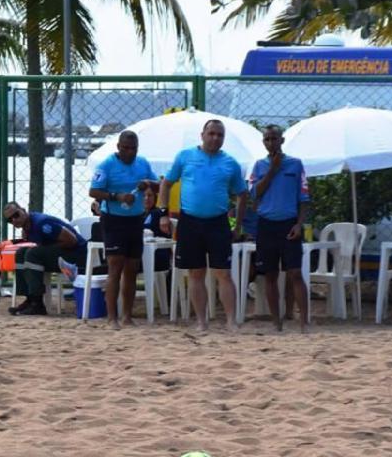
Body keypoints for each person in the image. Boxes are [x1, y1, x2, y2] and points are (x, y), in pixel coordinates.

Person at [157, 119, 246, 331]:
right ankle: (201, 321)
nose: (215, 138)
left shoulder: (230, 163)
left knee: (223, 273)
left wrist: (238, 225)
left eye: (220, 135)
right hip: (190, 221)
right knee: (196, 273)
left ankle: (231, 321)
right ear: (202, 135)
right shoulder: (185, 156)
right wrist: (163, 214)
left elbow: (242, 194)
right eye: (212, 133)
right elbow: (166, 184)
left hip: (218, 222)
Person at [88, 130, 159, 329]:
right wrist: (116, 197)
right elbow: (93, 191)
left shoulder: (143, 163)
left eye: (133, 149)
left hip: (135, 220)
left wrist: (148, 184)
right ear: (118, 147)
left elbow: (159, 185)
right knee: (115, 267)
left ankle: (127, 316)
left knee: (132, 269)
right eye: (126, 148)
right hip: (113, 219)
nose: (129, 152)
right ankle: (112, 317)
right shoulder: (107, 165)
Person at [244, 125, 311, 332]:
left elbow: (304, 199)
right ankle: (277, 322)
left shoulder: (296, 165)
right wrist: (272, 170)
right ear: (263, 142)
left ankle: (303, 322)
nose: (271, 143)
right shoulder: (258, 166)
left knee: (295, 273)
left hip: (289, 224)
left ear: (282, 140)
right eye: (267, 139)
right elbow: (255, 194)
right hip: (266, 225)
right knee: (270, 275)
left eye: (274, 139)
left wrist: (299, 224)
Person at [3, 201, 87, 316]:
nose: (14, 220)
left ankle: (37, 304)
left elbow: (72, 241)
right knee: (20, 253)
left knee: (33, 254)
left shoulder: (41, 223)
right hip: (62, 254)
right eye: (9, 220)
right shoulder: (27, 229)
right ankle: (30, 299)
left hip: (77, 255)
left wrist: (44, 250)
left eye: (16, 215)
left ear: (23, 210)